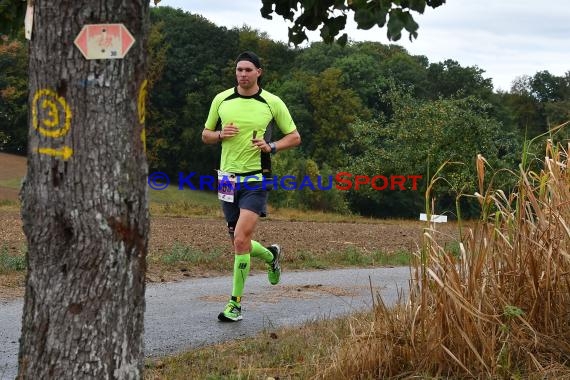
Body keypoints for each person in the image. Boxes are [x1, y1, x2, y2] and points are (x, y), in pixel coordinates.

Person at [202, 51, 301, 322]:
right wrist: (221, 134)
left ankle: (234, 304)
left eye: (248, 70)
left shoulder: (272, 102)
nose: (243, 74)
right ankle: (270, 255)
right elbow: (206, 135)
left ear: (259, 72)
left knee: (241, 239)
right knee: (238, 241)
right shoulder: (221, 100)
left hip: (257, 177)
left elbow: (294, 137)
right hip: (226, 178)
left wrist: (271, 146)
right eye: (239, 70)